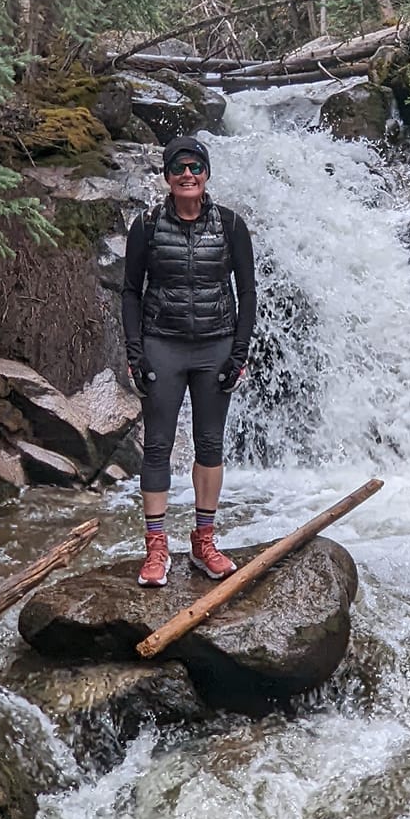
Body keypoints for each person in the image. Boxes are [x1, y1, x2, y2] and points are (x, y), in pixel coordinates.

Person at [122, 133, 257, 587]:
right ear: (166, 176)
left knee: (210, 444)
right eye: (179, 168)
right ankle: (157, 547)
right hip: (163, 344)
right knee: (158, 446)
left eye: (195, 167)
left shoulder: (233, 226)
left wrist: (239, 353)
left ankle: (203, 540)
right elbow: (130, 292)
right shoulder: (145, 225)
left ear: (206, 175)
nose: (187, 175)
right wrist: (134, 352)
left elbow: (248, 292)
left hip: (216, 344)